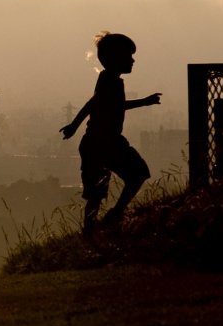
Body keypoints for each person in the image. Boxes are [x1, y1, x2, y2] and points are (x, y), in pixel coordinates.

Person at [60, 32, 161, 235]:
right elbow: (98, 104)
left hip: (100, 142)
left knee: (97, 193)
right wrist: (74, 125)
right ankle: (112, 217)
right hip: (103, 143)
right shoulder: (110, 80)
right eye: (129, 56)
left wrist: (74, 125)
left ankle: (95, 228)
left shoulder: (110, 80)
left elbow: (106, 104)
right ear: (115, 57)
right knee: (135, 174)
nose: (132, 60)